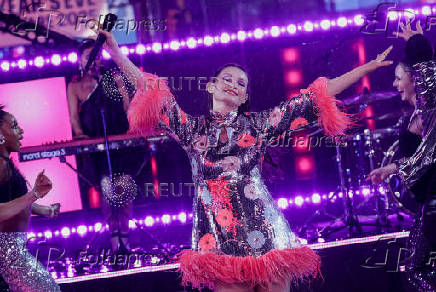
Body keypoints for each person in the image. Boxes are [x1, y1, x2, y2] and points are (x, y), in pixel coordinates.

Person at [95, 28, 393, 291]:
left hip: (266, 235)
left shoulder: (260, 125)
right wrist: (116, 51)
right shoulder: (191, 129)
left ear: (244, 96)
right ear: (210, 87)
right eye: (227, 79)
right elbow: (152, 91)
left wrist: (367, 67)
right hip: (219, 240)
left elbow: (316, 96)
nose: (234, 85)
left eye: (241, 83)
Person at [368, 21, 436, 291]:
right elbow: (422, 157)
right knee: (417, 270)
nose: (394, 84)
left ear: (414, 78)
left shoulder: (430, 108)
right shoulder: (417, 117)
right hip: (428, 201)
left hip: (433, 201)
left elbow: (430, 78)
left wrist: (418, 44)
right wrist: (391, 168)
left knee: (417, 269)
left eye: (398, 77)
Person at [67, 38, 138, 253]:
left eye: (96, 56)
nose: (93, 61)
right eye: (89, 57)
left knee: (123, 187)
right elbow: (74, 118)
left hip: (120, 140)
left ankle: (125, 235)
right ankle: (114, 237)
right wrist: (79, 134)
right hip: (97, 144)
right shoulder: (75, 86)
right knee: (108, 190)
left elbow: (128, 106)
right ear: (80, 60)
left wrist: (132, 129)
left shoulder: (114, 77)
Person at [0, 105, 61, 291]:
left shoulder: (4, 164)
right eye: (14, 126)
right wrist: (33, 194)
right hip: (7, 253)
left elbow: (11, 202)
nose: (21, 131)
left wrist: (44, 209)